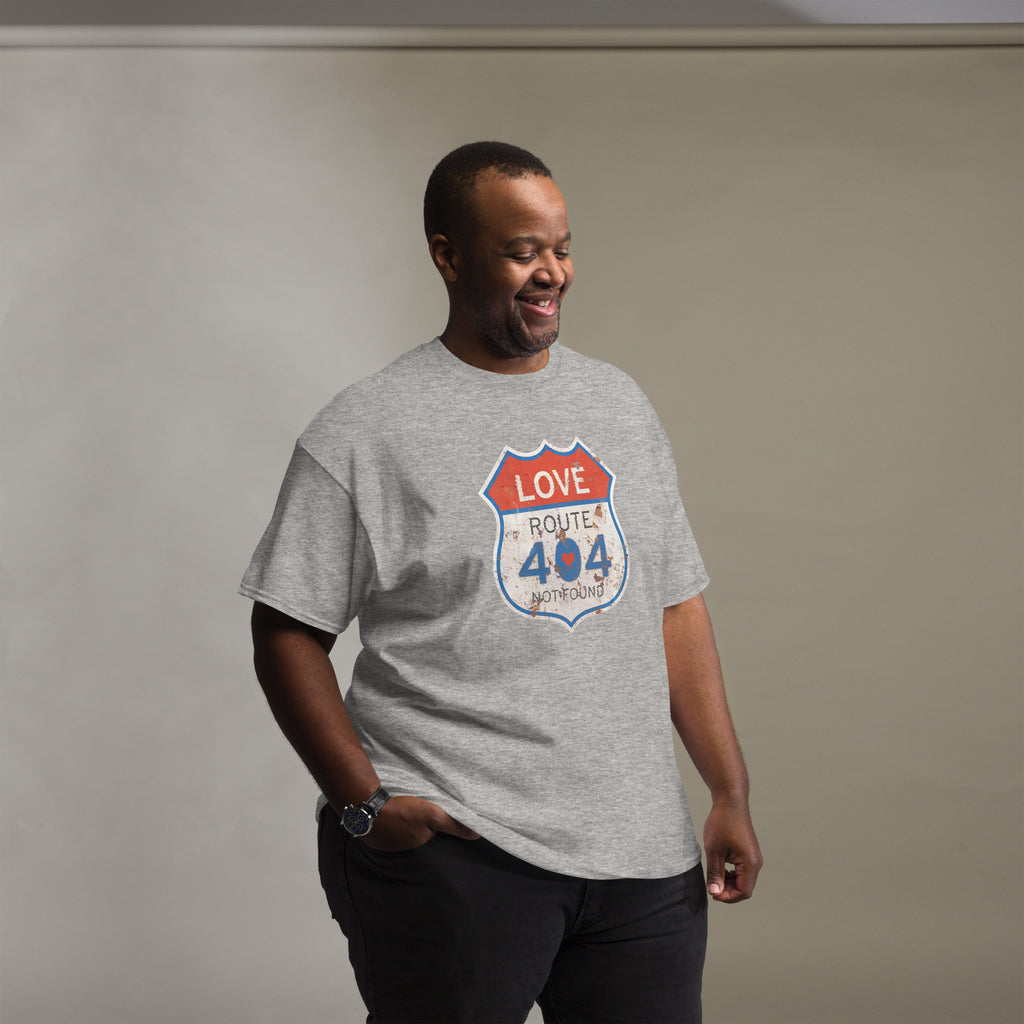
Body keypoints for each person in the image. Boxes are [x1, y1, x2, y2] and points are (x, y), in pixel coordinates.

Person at [241, 141, 761, 1024]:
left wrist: (728, 792)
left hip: (640, 857)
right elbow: (286, 630)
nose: (551, 271)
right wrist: (366, 806)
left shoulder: (618, 407)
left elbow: (674, 605)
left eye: (560, 247)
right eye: (523, 251)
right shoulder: (367, 428)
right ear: (448, 254)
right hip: (461, 852)